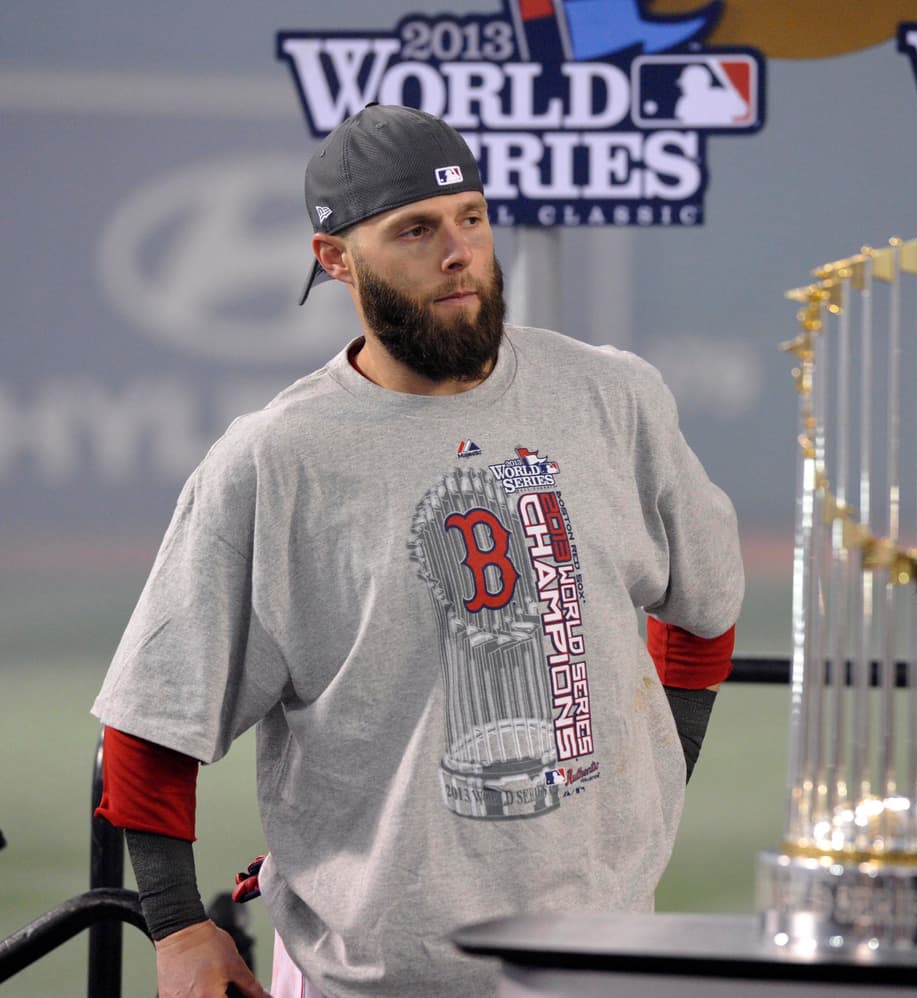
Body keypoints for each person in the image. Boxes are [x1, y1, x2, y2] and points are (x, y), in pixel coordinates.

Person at [91, 102, 743, 997]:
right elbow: (153, 719)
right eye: (416, 230)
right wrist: (174, 928)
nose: (458, 251)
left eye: (472, 218)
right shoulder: (274, 459)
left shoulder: (613, 396)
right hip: (367, 976)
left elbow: (705, 609)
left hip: (603, 960)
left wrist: (658, 784)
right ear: (336, 259)